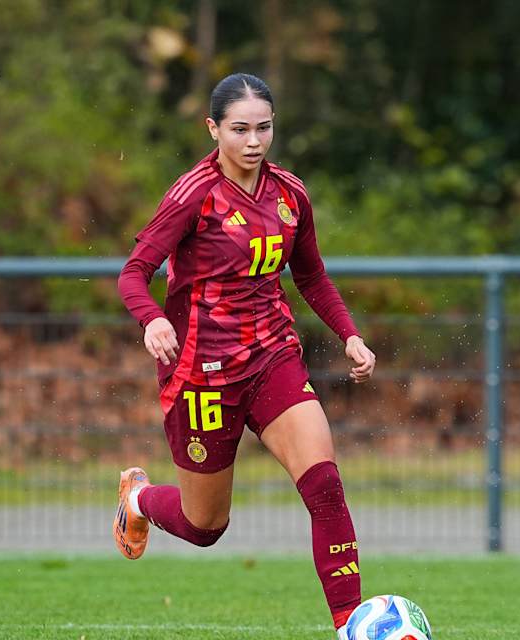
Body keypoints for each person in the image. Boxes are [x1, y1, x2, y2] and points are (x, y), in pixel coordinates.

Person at [114, 72, 376, 637]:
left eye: (264, 127)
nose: (254, 141)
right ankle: (139, 497)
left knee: (325, 486)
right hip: (201, 373)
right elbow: (133, 275)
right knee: (205, 526)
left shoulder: (291, 194)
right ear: (213, 129)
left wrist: (349, 334)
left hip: (273, 357)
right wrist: (154, 318)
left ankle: (351, 624)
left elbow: (311, 276)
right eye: (239, 129)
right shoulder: (193, 195)